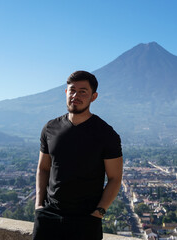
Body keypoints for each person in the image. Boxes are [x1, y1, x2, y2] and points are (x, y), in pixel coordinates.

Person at [32, 70, 123, 240]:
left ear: (93, 97)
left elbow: (115, 178)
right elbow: (43, 168)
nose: (76, 95)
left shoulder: (107, 135)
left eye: (83, 91)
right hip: (48, 216)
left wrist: (99, 212)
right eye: (72, 90)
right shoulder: (50, 128)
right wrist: (39, 206)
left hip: (86, 220)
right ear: (66, 93)